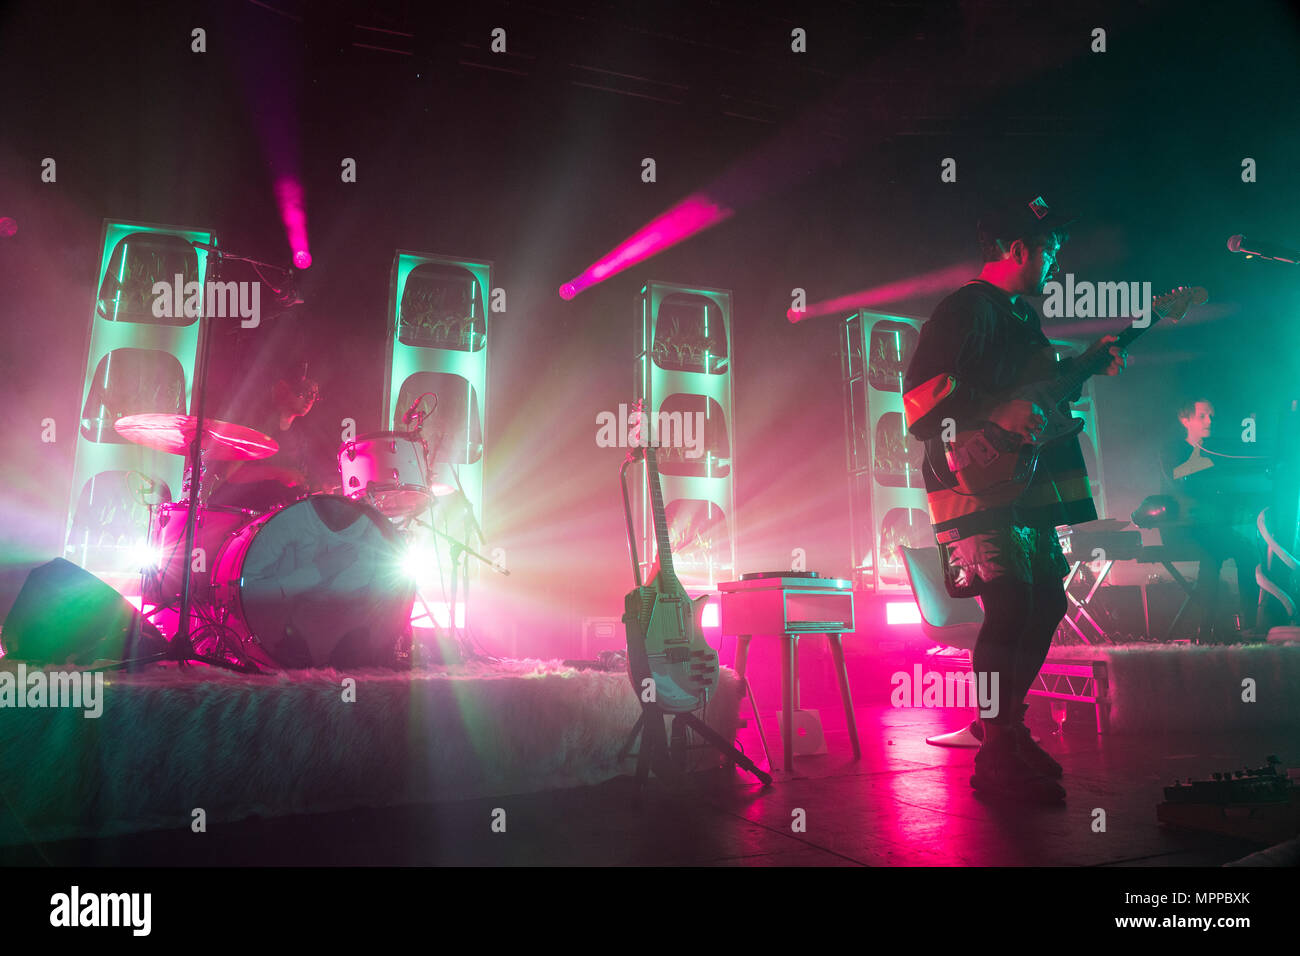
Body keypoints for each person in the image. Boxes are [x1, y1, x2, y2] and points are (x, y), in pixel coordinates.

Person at [903, 194, 1126, 803]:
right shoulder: (965, 310)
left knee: (1045, 600)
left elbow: (1034, 398)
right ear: (1019, 248)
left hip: (1021, 485)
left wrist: (1083, 369)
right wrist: (996, 411)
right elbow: (920, 400)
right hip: (969, 482)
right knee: (1008, 607)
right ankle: (997, 747)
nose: (1055, 260)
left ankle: (1003, 726)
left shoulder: (1019, 318)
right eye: (1050, 248)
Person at [1157, 398, 1262, 638]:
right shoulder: (1172, 450)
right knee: (1215, 554)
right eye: (1203, 415)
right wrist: (1210, 460)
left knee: (1248, 552)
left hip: (1211, 530)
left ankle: (1250, 625)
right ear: (1185, 420)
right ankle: (1206, 630)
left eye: (1211, 415)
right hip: (1182, 530)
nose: (1209, 420)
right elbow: (1177, 478)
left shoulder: (1214, 450)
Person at [209, 363, 336, 513]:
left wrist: (318, 488)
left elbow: (296, 482)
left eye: (314, 395)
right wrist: (277, 473)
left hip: (274, 515)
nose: (310, 399)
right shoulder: (258, 424)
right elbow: (232, 474)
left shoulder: (301, 436)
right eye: (303, 391)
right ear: (284, 388)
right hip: (241, 513)